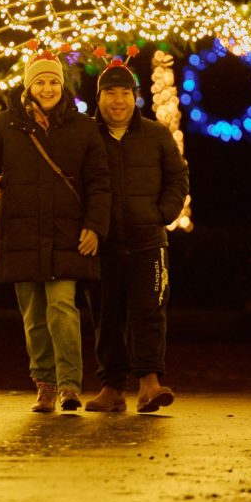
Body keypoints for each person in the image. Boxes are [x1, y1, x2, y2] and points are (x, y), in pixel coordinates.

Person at [0, 45, 111, 413]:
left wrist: (95, 225)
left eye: (53, 81)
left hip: (67, 233)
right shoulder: (6, 125)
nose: (47, 88)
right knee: (33, 314)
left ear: (62, 85)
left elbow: (98, 181)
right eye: (40, 82)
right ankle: (44, 384)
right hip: (20, 233)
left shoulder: (82, 127)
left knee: (62, 306)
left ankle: (70, 386)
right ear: (28, 87)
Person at [83, 56, 189, 413]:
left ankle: (149, 385)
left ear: (135, 96)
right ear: (98, 98)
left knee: (149, 312)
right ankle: (112, 388)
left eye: (125, 92)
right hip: (102, 243)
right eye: (110, 92)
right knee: (106, 316)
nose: (118, 100)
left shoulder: (156, 134)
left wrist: (163, 214)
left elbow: (178, 178)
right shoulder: (86, 138)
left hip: (149, 243)